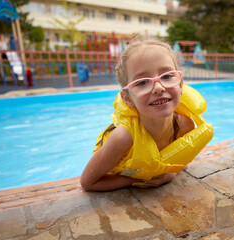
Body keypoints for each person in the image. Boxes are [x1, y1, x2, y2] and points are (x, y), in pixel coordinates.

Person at [80, 38, 213, 191]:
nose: (158, 87)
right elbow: (88, 183)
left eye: (167, 76)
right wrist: (135, 179)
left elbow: (181, 159)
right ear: (127, 98)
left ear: (181, 85)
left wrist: (169, 175)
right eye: (142, 82)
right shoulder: (123, 137)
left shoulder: (185, 126)